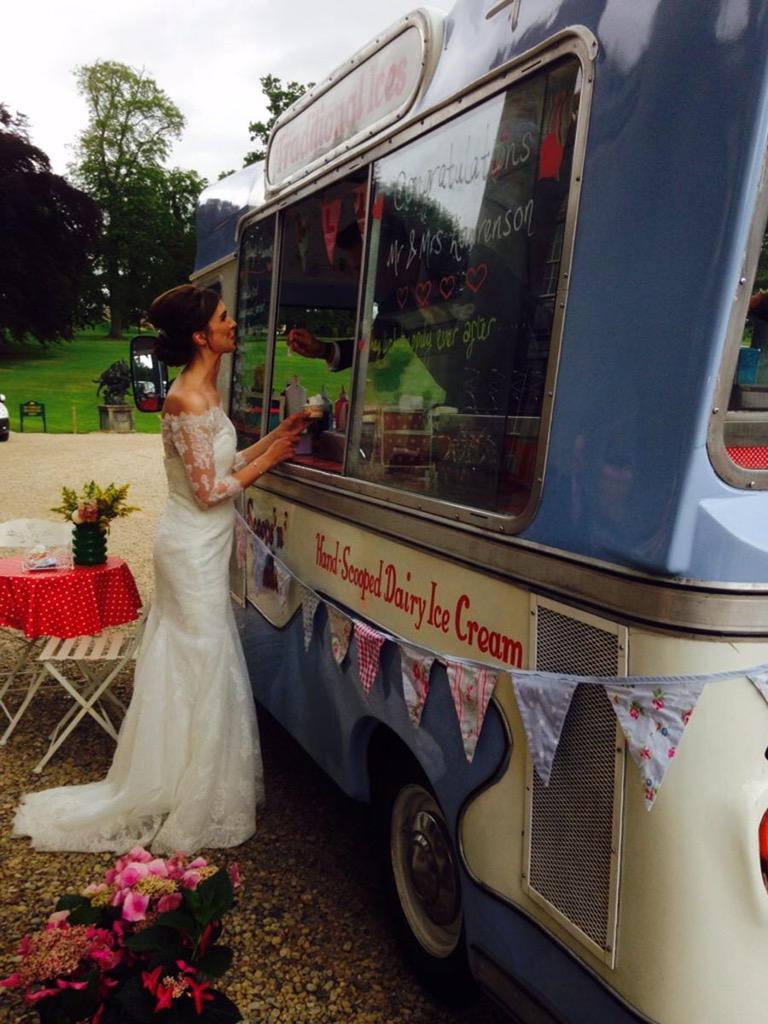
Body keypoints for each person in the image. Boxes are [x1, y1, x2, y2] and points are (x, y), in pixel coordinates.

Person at [13, 284, 307, 854]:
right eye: (223, 318)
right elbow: (207, 490)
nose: (231, 325)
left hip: (201, 543)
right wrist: (270, 461)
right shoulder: (186, 400)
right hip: (191, 545)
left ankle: (195, 778)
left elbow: (226, 460)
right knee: (201, 655)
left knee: (197, 654)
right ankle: (187, 790)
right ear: (201, 336)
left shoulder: (207, 391)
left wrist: (277, 437)